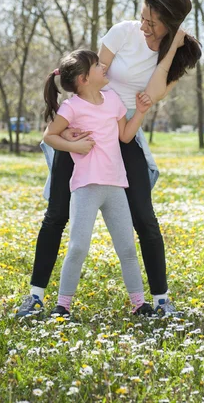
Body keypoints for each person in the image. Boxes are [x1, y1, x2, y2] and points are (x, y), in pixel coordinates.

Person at [16, 0, 202, 318]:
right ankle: (35, 296)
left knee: (144, 217)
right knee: (57, 212)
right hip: (86, 127)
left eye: (153, 22)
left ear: (171, 26)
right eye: (143, 16)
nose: (143, 25)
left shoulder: (180, 52)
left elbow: (156, 91)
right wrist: (71, 127)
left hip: (123, 129)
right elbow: (90, 80)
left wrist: (172, 47)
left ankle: (160, 300)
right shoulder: (122, 33)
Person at [34, 49, 154, 317]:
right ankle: (62, 306)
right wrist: (73, 144)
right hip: (86, 187)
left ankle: (139, 304)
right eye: (98, 65)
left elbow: (125, 135)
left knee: (127, 248)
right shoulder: (72, 107)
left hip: (115, 186)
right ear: (83, 79)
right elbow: (49, 136)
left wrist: (141, 112)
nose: (104, 67)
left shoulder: (112, 100)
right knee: (78, 247)